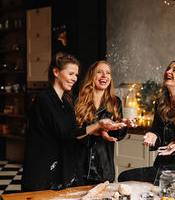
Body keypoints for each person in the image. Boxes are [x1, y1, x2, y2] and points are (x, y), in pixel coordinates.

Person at [21, 53, 123, 192]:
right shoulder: (44, 100)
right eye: (70, 74)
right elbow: (67, 133)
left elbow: (75, 133)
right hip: (42, 173)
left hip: (62, 171)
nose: (74, 78)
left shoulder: (66, 102)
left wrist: (99, 132)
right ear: (56, 72)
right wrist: (98, 125)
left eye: (76, 75)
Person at [118, 60, 175, 184]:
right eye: (168, 68)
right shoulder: (161, 105)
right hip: (163, 168)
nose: (168, 71)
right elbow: (158, 134)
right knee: (124, 177)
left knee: (126, 178)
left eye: (174, 70)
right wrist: (153, 135)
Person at [74, 61, 136, 185]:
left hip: (103, 167)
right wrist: (99, 130)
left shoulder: (115, 102)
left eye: (108, 73)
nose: (104, 76)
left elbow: (116, 136)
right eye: (99, 72)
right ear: (92, 76)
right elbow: (72, 133)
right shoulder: (78, 100)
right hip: (78, 166)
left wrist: (122, 125)